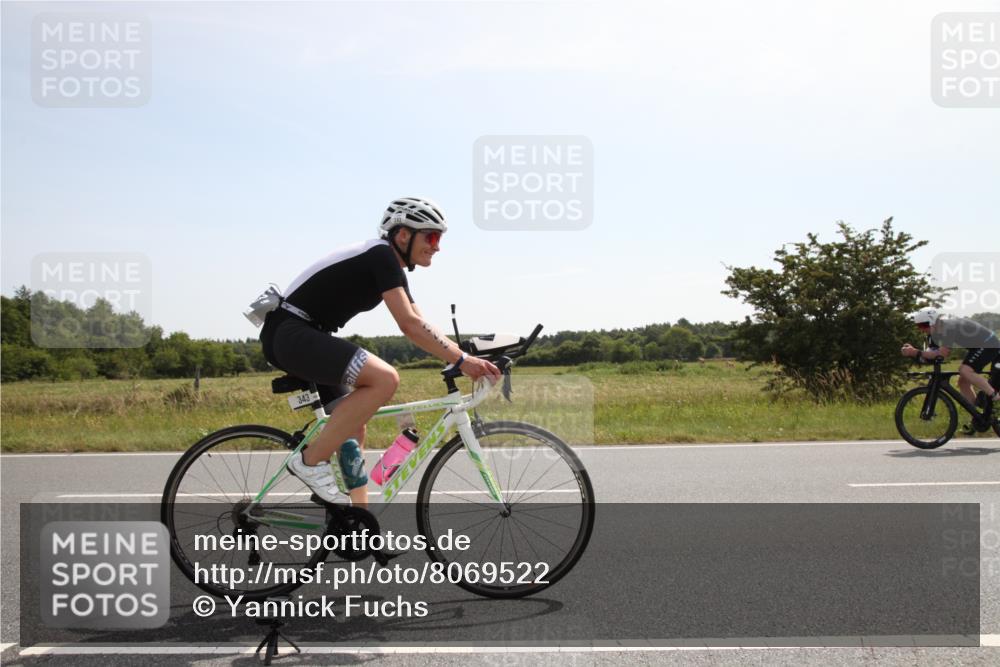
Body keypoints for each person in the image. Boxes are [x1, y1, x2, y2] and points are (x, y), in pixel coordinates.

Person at [259, 197, 501, 507]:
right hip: (291, 332)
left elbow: (422, 324)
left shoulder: (391, 264)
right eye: (431, 236)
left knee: (351, 429)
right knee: (385, 379)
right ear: (403, 235)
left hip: (300, 333)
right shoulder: (381, 255)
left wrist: (466, 354)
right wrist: (462, 361)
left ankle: (358, 521)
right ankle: (309, 462)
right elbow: (409, 325)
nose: (437, 246)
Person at [901, 308, 999, 412]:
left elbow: (942, 354)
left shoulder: (948, 327)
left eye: (923, 325)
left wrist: (915, 352)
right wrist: (913, 354)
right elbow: (931, 356)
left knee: (964, 370)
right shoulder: (933, 334)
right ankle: (978, 416)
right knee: (963, 383)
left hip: (989, 344)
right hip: (977, 347)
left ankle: (995, 396)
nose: (921, 329)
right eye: (919, 326)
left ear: (933, 322)